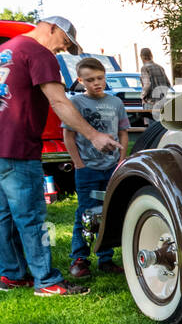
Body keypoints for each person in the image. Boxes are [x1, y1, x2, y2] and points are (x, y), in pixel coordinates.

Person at [0, 17, 121, 296]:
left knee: (4, 215)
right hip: (19, 148)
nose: (61, 50)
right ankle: (47, 280)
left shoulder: (7, 49)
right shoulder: (38, 53)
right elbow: (58, 101)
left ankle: (12, 275)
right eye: (64, 43)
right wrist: (93, 135)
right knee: (32, 215)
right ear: (52, 28)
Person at [65, 57, 129, 278]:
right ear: (80, 81)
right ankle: (80, 258)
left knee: (108, 212)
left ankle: (106, 258)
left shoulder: (116, 103)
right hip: (88, 168)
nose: (96, 83)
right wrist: (79, 164)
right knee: (85, 213)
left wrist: (121, 160)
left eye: (100, 78)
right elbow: (68, 135)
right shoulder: (76, 104)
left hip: (111, 167)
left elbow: (123, 132)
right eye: (90, 80)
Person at [138, 47, 172, 112]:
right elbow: (168, 84)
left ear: (142, 57)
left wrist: (142, 96)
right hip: (163, 103)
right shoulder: (160, 67)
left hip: (151, 103)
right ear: (151, 55)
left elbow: (147, 85)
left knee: (151, 121)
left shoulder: (144, 68)